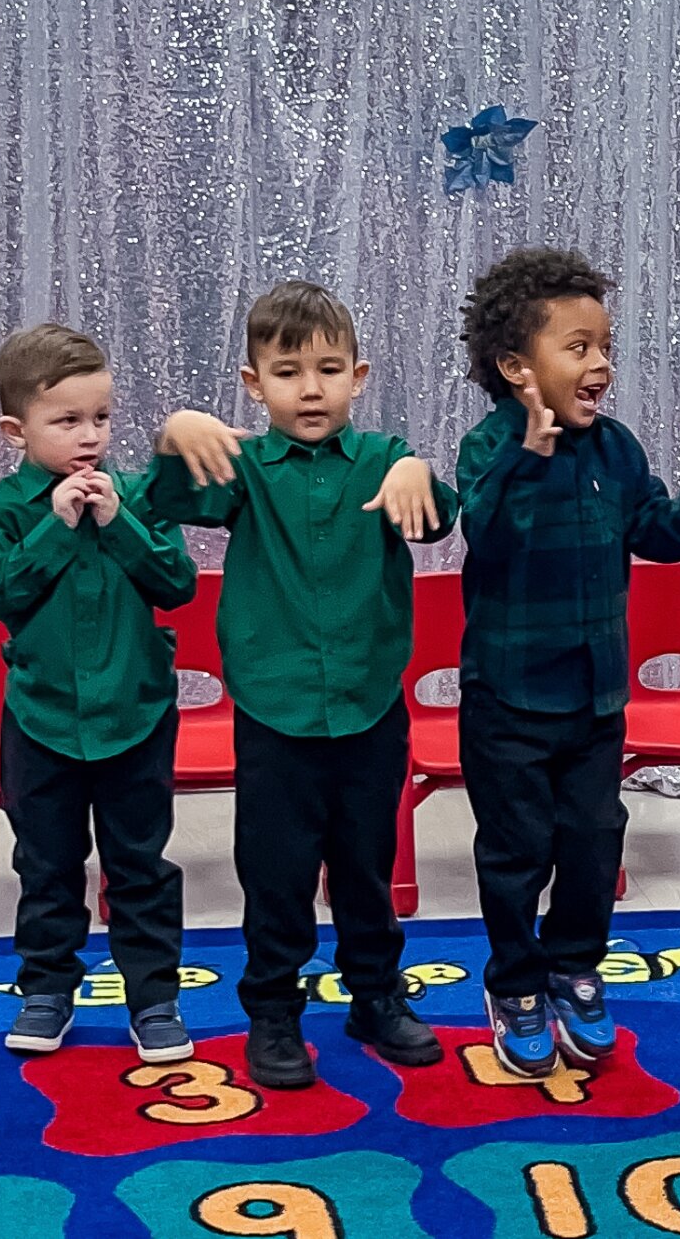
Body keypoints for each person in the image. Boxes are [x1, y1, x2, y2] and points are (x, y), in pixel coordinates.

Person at [454, 247, 680, 1078]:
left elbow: (663, 537)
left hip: (595, 703)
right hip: (508, 704)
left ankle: (572, 966)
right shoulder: (488, 451)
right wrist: (530, 450)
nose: (599, 364)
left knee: (595, 841)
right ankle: (515, 983)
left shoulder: (618, 451)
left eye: (604, 345)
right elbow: (486, 534)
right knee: (516, 850)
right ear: (517, 367)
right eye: (578, 347)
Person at [150, 281, 456, 1090]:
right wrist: (173, 433)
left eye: (328, 369)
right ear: (254, 385)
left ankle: (377, 996)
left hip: (367, 708)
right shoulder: (243, 468)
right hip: (275, 714)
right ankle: (274, 1013)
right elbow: (163, 499)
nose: (310, 388)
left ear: (359, 375)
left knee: (366, 866)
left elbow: (436, 515)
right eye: (288, 372)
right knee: (276, 874)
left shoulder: (387, 459)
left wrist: (421, 475)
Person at [0, 323, 197, 1063]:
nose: (88, 436)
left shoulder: (137, 497)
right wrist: (57, 530)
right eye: (66, 421)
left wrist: (118, 521)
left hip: (136, 715)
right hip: (41, 721)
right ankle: (47, 991)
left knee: (141, 865)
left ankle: (154, 999)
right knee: (47, 864)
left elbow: (177, 583)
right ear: (16, 430)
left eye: (100, 418)